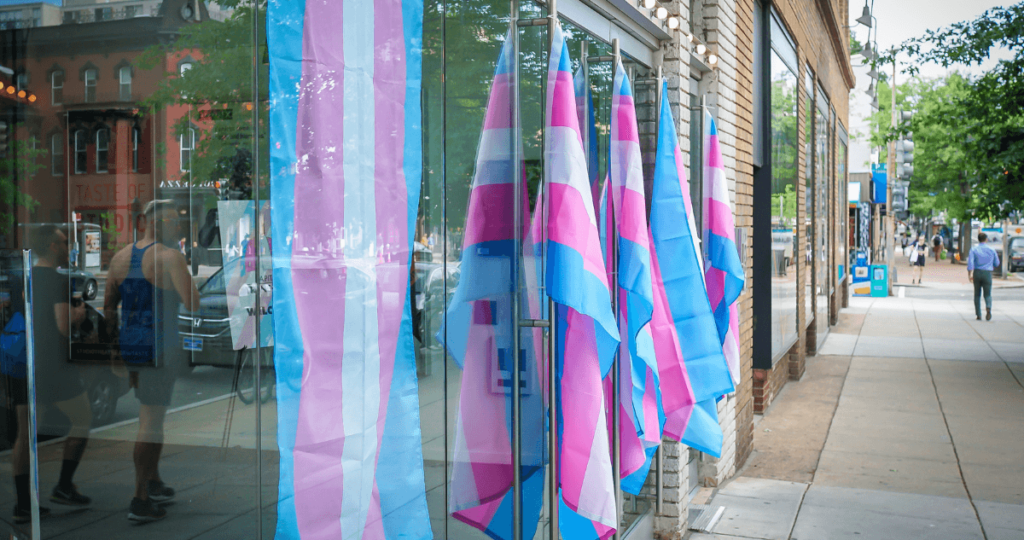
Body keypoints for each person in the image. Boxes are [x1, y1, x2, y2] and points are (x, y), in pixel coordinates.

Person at [104, 200, 201, 523]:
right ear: (153, 223)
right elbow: (193, 303)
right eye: (173, 221)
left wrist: (118, 352)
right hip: (160, 349)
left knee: (153, 419)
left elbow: (108, 310)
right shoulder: (170, 258)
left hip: (133, 346)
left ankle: (155, 481)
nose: (177, 227)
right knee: (150, 422)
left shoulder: (119, 258)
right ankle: (139, 497)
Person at [10, 225, 94, 523]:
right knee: (82, 419)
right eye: (62, 241)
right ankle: (64, 485)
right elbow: (62, 324)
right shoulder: (56, 280)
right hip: (52, 365)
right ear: (51, 246)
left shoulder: (24, 276)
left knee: (25, 435)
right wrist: (79, 315)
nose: (66, 245)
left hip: (26, 362)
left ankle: (22, 504)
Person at [967, 231, 1000, 321]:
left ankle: (978, 314)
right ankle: (988, 307)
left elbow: (970, 263)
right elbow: (997, 263)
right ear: (986, 239)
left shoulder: (974, 249)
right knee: (987, 294)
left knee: (977, 294)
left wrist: (969, 274)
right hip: (987, 273)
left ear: (978, 239)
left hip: (977, 272)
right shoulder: (992, 250)